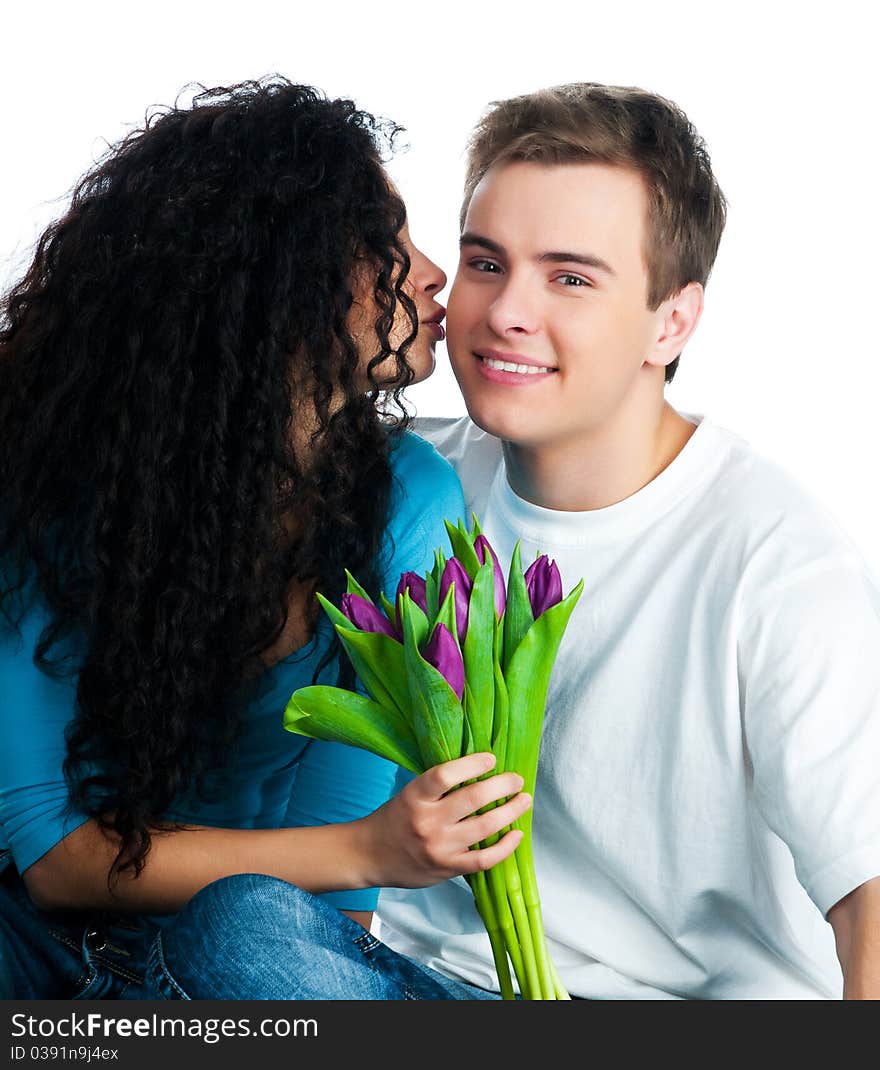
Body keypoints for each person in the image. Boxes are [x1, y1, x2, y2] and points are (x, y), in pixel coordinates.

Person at [171, 82, 880, 1000]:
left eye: (571, 277)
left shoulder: (778, 561)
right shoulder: (397, 484)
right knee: (236, 925)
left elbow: (869, 897)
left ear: (673, 321)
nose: (508, 312)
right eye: (486, 262)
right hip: (433, 988)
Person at [0, 79, 531, 1000]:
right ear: (273, 277)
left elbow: (336, 911)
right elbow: (53, 854)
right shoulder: (47, 485)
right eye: (386, 242)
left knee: (240, 927)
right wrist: (369, 848)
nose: (432, 270)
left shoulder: (407, 504)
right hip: (40, 941)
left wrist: (370, 852)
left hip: (237, 945)